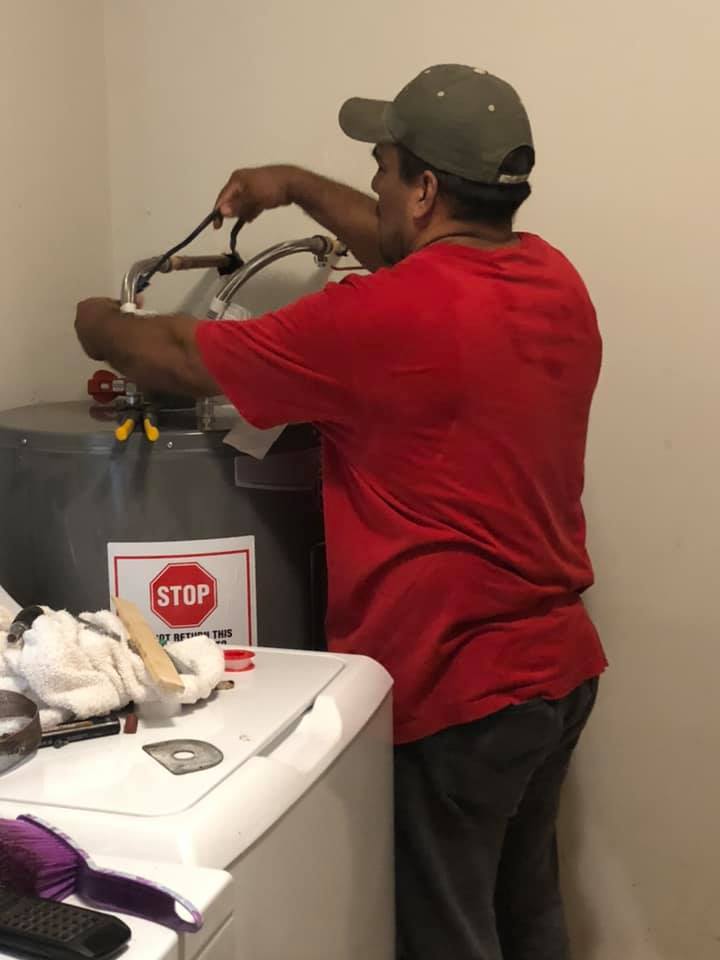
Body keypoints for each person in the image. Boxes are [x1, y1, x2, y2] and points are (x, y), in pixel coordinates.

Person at [76, 64, 607, 960]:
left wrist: (94, 321)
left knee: (447, 937)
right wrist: (292, 184)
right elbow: (415, 251)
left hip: (454, 691)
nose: (374, 186)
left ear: (425, 190)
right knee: (527, 913)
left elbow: (177, 353)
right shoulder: (553, 277)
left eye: (383, 169)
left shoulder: (378, 319)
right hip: (556, 675)